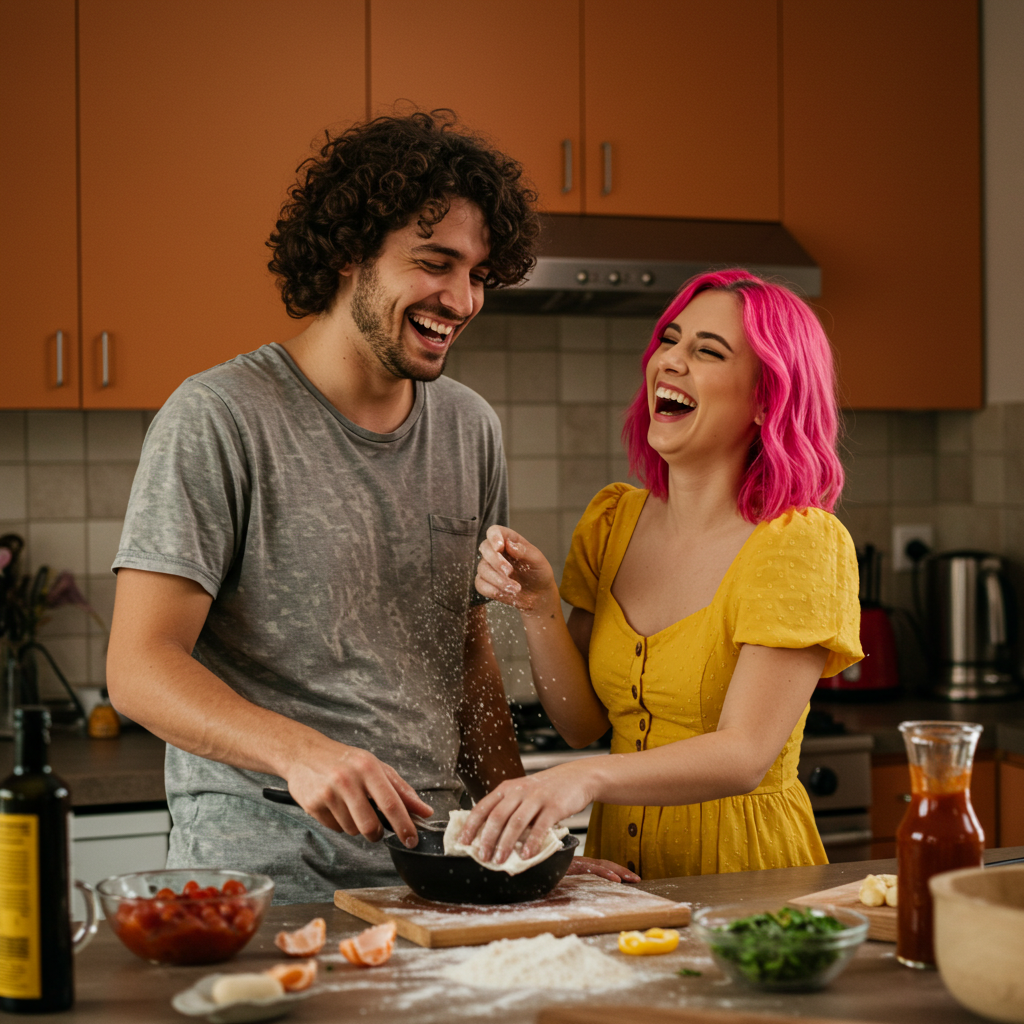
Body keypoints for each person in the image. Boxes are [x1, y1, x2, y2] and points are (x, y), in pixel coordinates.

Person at [106, 112, 633, 903]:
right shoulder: (220, 416)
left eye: (480, 274)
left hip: (438, 874)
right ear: (351, 252)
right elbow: (140, 668)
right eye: (435, 263)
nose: (461, 299)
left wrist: (525, 837)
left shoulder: (469, 429)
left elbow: (462, 654)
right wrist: (302, 751)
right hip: (265, 882)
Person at [464, 269, 864, 879]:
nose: (669, 361)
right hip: (619, 874)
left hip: (744, 875)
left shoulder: (799, 542)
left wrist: (587, 779)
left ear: (766, 398)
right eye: (669, 340)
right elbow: (579, 725)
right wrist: (539, 603)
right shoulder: (613, 522)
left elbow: (745, 754)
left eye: (707, 351)